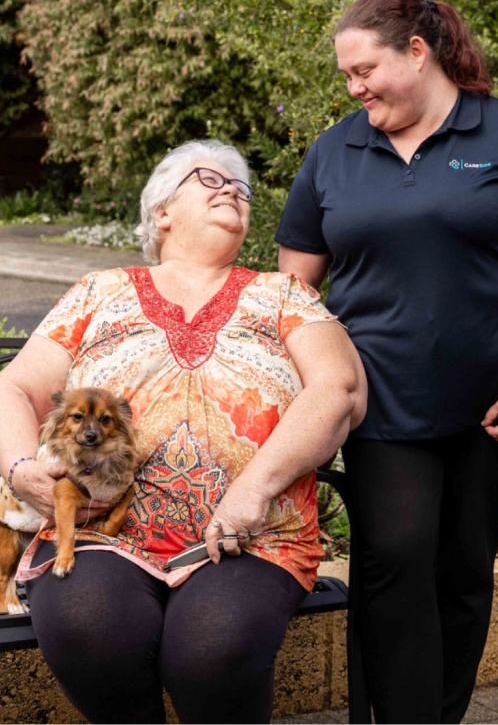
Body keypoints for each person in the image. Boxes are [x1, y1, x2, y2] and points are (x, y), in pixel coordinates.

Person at [0, 139, 366, 725]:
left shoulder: (283, 295)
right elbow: (12, 388)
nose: (233, 192)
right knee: (90, 629)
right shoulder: (98, 292)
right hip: (105, 531)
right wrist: (22, 471)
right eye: (211, 180)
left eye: (242, 190)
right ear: (161, 212)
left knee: (211, 651)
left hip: (251, 537)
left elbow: (339, 390)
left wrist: (254, 490)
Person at [276, 0, 498, 725]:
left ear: (417, 52)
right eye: (345, 76)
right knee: (395, 560)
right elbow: (292, 288)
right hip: (374, 399)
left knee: (462, 574)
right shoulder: (336, 148)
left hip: (490, 406)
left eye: (364, 70)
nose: (354, 88)